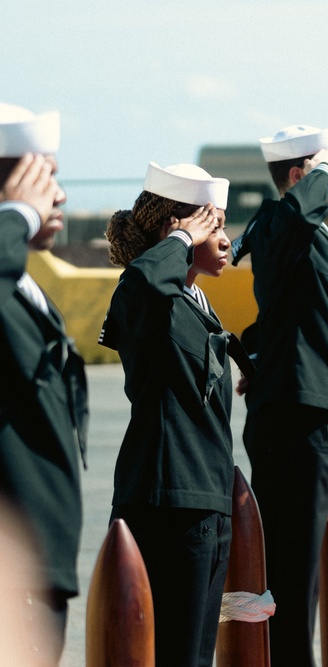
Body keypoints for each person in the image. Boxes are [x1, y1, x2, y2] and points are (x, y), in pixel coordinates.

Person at [100, 162, 243, 667]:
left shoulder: (190, 299)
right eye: (214, 225)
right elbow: (137, 285)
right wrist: (184, 237)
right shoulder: (149, 296)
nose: (226, 240)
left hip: (204, 498)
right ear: (173, 230)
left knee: (195, 655)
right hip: (168, 501)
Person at [231, 124, 328, 665]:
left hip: (305, 406)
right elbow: (285, 223)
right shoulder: (281, 221)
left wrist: (260, 354)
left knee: (295, 570)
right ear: (301, 176)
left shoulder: (308, 231)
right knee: (293, 572)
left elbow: (287, 310)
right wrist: (319, 173)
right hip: (301, 416)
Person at [0, 102, 86, 661]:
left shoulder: (22, 287)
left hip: (40, 567)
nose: (55, 196)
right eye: (42, 176)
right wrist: (15, 216)